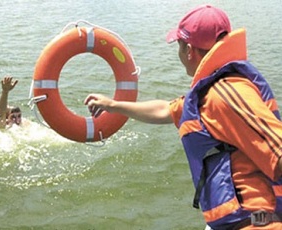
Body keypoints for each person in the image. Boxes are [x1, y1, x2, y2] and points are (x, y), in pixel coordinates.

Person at [84, 4, 282, 230]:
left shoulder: (227, 94)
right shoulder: (210, 94)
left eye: (178, 46)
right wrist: (112, 105)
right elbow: (165, 110)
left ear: (189, 50)